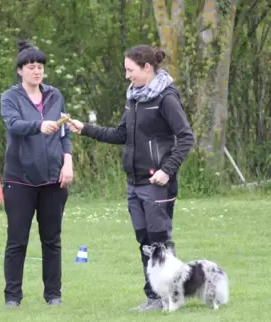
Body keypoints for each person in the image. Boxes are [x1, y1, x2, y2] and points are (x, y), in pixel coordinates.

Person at [68, 45, 194, 312]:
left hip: (158, 182)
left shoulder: (166, 98)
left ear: (147, 68)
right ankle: (153, 297)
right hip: (134, 182)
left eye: (130, 70)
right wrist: (86, 129)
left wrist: (167, 169)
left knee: (160, 242)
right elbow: (120, 134)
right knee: (145, 243)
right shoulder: (135, 98)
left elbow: (186, 137)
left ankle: (170, 297)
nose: (127, 76)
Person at [0, 40, 73, 307]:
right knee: (17, 240)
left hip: (53, 178)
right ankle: (12, 297)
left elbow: (64, 133)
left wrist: (68, 163)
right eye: (31, 67)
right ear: (20, 70)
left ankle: (53, 295)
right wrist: (38, 126)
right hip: (19, 179)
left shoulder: (55, 96)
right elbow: (14, 125)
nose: (36, 71)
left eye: (40, 66)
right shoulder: (10, 97)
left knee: (52, 240)